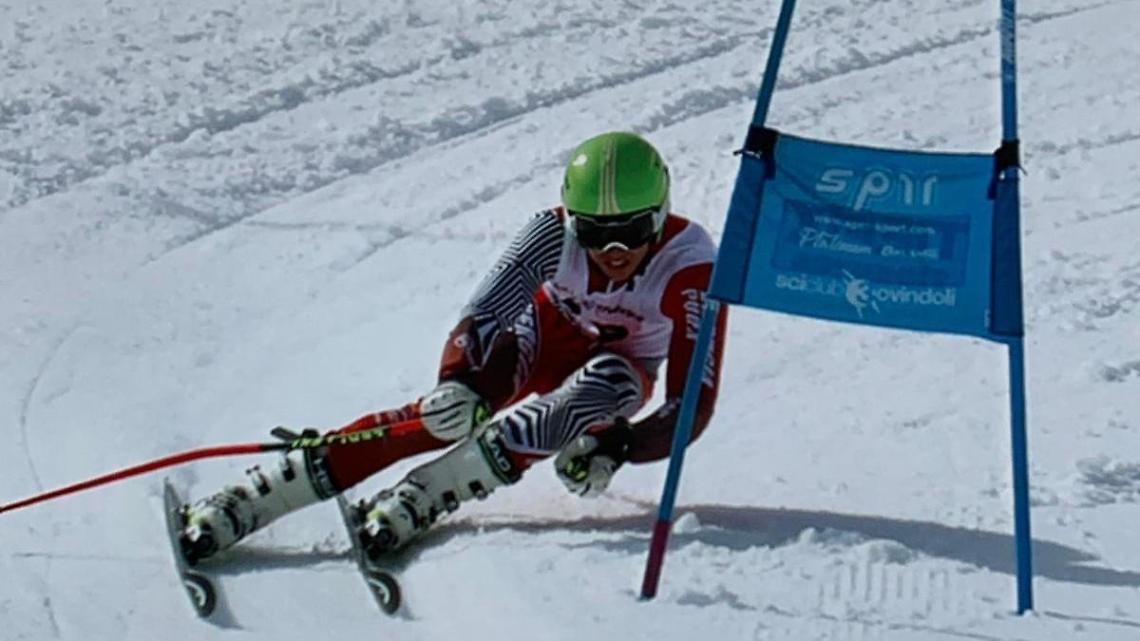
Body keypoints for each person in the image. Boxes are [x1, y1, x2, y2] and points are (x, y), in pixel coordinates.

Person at [177, 131, 729, 565]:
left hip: (626, 364)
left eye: (632, 232)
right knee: (446, 416)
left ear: (660, 215)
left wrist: (622, 444)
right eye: (594, 232)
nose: (613, 251)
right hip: (543, 335)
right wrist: (459, 379)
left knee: (569, 408)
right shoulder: (550, 233)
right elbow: (484, 315)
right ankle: (259, 496)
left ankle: (428, 493)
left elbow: (691, 406)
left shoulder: (693, 265)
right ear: (571, 220)